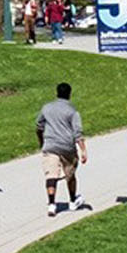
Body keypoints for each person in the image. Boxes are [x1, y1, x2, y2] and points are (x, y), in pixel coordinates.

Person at [37, 82, 89, 216]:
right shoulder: (72, 111)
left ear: (57, 93)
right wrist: (83, 150)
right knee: (70, 174)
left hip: (50, 146)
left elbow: (39, 126)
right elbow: (78, 133)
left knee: (51, 175)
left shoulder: (46, 108)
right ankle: (72, 200)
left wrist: (41, 142)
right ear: (69, 94)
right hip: (67, 146)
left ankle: (52, 204)